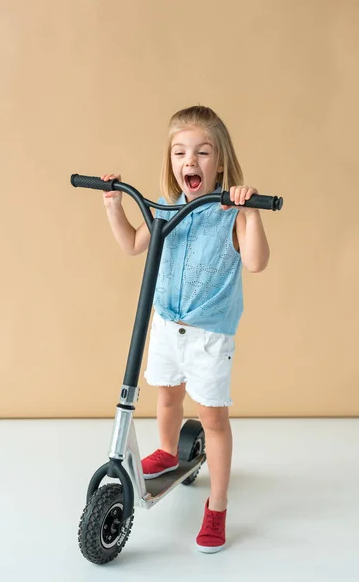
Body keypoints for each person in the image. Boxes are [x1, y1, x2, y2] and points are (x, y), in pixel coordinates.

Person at [101, 105, 270, 553]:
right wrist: (114, 207)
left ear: (220, 161)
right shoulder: (164, 208)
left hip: (209, 335)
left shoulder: (228, 213)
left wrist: (251, 213)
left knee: (213, 419)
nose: (189, 162)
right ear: (171, 161)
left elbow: (255, 262)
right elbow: (133, 243)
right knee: (167, 394)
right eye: (180, 153)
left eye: (201, 152)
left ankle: (217, 505)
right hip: (165, 324)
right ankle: (169, 451)